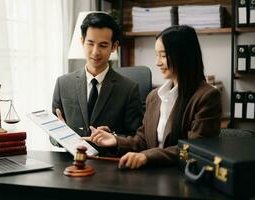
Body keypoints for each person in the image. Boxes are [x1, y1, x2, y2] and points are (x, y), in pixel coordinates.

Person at [84, 25, 222, 169]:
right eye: (157, 55)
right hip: (150, 176)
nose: (157, 62)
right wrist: (115, 140)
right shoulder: (154, 97)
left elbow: (195, 150)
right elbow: (142, 140)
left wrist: (147, 156)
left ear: (183, 56)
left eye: (163, 55)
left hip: (181, 177)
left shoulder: (207, 96)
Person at [52, 12, 143, 154]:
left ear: (114, 46)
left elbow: (137, 138)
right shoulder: (63, 83)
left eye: (103, 45)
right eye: (90, 43)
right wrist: (59, 134)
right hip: (72, 164)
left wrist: (113, 136)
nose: (95, 52)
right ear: (82, 41)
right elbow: (51, 135)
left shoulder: (129, 88)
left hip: (109, 164)